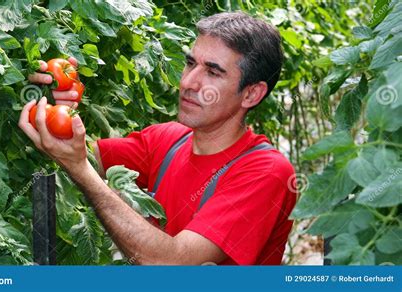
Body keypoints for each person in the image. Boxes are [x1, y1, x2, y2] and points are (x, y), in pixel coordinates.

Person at [19, 11, 296, 265]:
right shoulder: (168, 140)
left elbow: (170, 264)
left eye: (213, 72)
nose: (188, 82)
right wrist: (50, 100)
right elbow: (68, 150)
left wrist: (81, 170)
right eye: (190, 63)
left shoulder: (266, 172)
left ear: (251, 94)